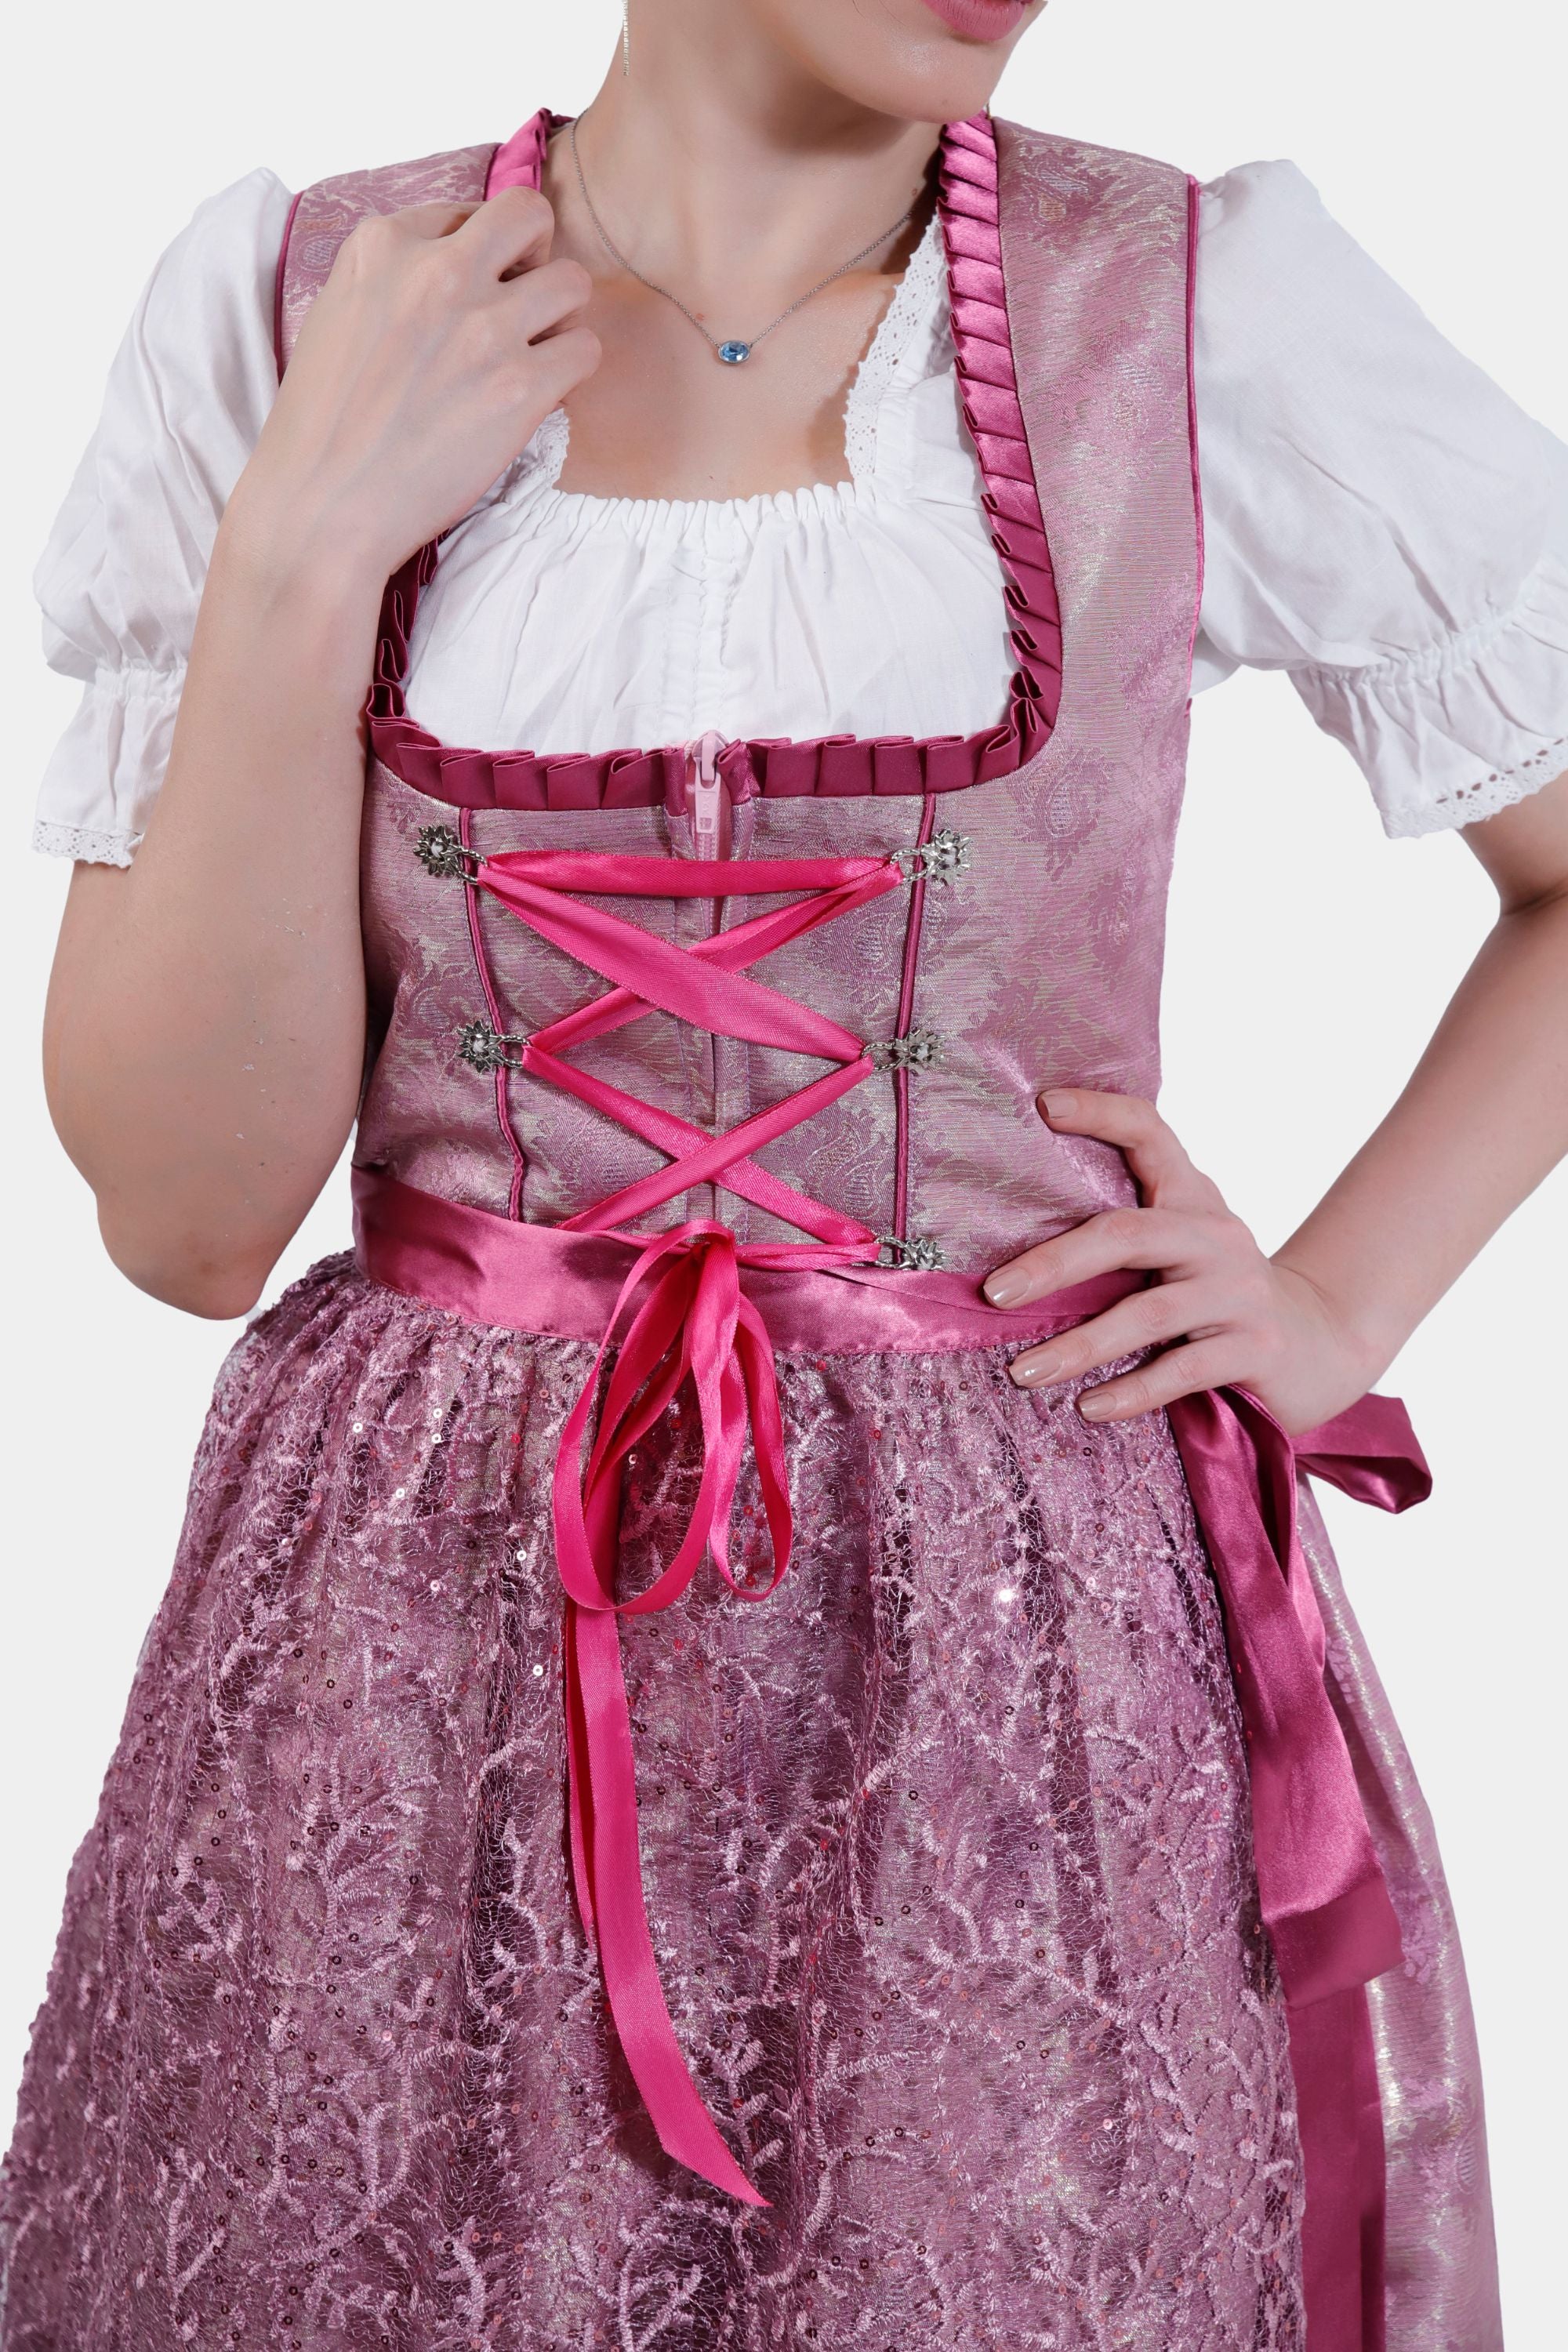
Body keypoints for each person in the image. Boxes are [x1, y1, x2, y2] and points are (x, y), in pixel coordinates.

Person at [3, 0, 1564, 2343]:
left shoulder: (1188, 305)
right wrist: (304, 558)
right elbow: (189, 1217)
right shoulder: (304, 306)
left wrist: (1340, 1304)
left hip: (1013, 1633)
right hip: (416, 1638)